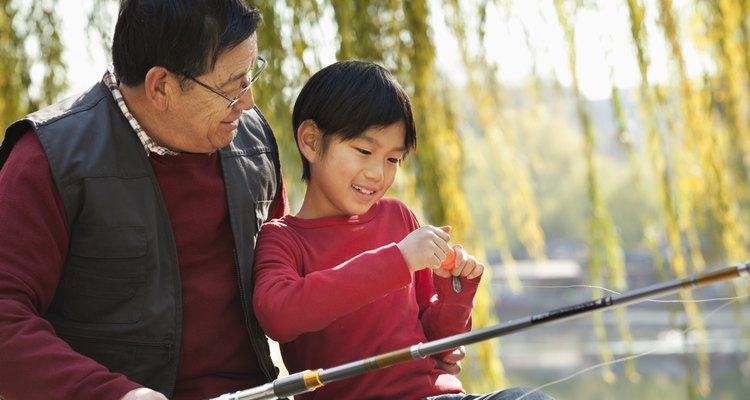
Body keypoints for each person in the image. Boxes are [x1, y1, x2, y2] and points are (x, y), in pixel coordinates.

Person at [0, 1, 287, 399]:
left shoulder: (255, 143)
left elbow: (290, 285)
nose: (249, 101)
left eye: (250, 76)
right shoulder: (47, 160)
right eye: (231, 86)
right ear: (161, 87)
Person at [252, 61, 553, 400]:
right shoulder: (283, 238)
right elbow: (278, 315)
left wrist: (454, 296)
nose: (377, 173)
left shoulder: (398, 216)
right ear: (311, 141)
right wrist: (397, 260)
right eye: (364, 151)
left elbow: (436, 345)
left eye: (392, 159)